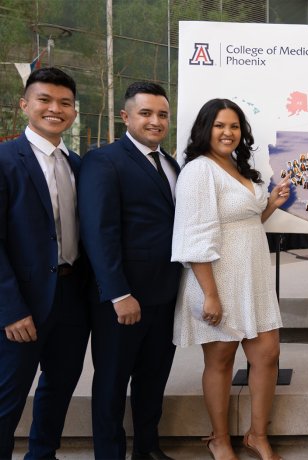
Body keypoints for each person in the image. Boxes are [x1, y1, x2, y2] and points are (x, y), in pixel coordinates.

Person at [171, 99, 289, 460]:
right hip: (217, 281)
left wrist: (269, 204)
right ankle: (220, 438)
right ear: (205, 129)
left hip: (252, 280)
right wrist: (210, 294)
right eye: (220, 125)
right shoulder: (198, 171)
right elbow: (194, 236)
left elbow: (246, 224)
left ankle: (257, 435)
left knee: (267, 354)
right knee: (220, 360)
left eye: (234, 126)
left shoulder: (238, 167)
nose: (228, 133)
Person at [79, 82, 180, 460]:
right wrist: (119, 293)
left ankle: (147, 449)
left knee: (153, 380)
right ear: (126, 116)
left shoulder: (170, 163)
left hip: (165, 295)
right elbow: (98, 231)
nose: (155, 121)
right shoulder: (104, 161)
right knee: (111, 383)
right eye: (146, 113)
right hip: (123, 300)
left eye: (162, 114)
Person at [0, 67, 90, 460]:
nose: (56, 109)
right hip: (24, 302)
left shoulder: (77, 164)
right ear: (25, 106)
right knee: (8, 394)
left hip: (72, 295)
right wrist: (11, 309)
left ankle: (43, 455)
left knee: (60, 385)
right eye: (45, 100)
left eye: (65, 103)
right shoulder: (5, 158)